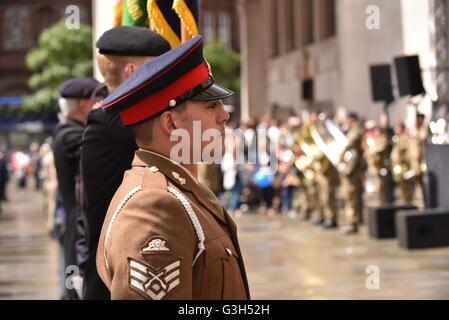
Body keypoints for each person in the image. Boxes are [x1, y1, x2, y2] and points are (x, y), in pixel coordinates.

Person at [96, 36, 250, 300]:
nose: (224, 116)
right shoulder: (152, 206)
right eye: (212, 105)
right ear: (171, 123)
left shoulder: (178, 191)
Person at [80, 26, 171, 300]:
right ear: (132, 72)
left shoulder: (114, 119)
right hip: (120, 278)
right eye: (159, 69)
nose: (167, 77)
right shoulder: (116, 122)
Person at [52, 77, 99, 299]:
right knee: (75, 286)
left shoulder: (72, 131)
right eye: (96, 100)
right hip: (77, 223)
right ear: (83, 104)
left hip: (79, 220)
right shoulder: (71, 135)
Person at [339, 112, 364, 234]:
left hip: (353, 168)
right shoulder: (350, 130)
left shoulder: (356, 129)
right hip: (349, 167)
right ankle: (351, 221)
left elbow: (349, 143)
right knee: (348, 195)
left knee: (352, 195)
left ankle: (353, 223)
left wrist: (339, 153)